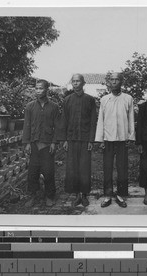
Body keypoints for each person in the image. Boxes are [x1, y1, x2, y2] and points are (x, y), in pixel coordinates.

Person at [95, 72, 135, 208]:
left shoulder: (128, 98)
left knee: (122, 167)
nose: (114, 82)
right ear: (109, 82)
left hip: (123, 139)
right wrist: (100, 140)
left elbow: (131, 119)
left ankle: (121, 195)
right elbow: (100, 120)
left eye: (117, 79)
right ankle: (107, 195)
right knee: (107, 167)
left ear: (121, 82)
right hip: (108, 139)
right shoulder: (104, 99)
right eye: (112, 80)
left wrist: (131, 136)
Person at [59, 74, 97, 207]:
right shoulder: (67, 100)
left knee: (84, 167)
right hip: (71, 139)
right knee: (73, 168)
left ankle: (85, 194)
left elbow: (93, 121)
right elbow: (64, 120)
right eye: (73, 81)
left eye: (78, 81)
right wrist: (64, 140)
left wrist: (91, 141)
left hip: (85, 139)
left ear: (83, 83)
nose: (75, 84)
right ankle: (76, 195)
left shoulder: (90, 100)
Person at [22, 79, 60, 207]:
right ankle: (33, 195)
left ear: (47, 90)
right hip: (34, 144)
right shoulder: (30, 106)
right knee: (33, 172)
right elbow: (26, 126)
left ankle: (50, 196)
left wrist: (54, 143)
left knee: (48, 172)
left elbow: (57, 126)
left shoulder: (54, 107)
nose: (38, 91)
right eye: (36, 88)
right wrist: (27, 143)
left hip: (47, 145)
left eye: (41, 88)